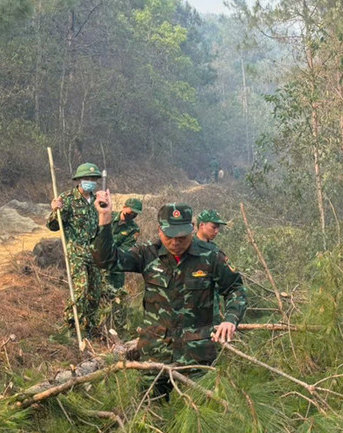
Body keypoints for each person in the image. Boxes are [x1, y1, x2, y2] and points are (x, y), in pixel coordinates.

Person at [92, 196, 247, 399]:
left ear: (192, 229)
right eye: (169, 236)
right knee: (150, 412)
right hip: (154, 352)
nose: (175, 242)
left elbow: (236, 288)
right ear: (159, 230)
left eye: (181, 237)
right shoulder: (147, 253)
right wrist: (104, 219)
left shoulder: (210, 256)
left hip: (196, 355)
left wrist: (230, 319)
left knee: (199, 412)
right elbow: (105, 260)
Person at [47, 162, 114, 336]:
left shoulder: (98, 200)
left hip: (94, 253)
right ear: (79, 180)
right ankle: (71, 327)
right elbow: (53, 225)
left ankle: (89, 327)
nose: (90, 181)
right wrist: (56, 211)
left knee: (95, 292)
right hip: (76, 252)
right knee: (80, 290)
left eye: (93, 179)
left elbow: (105, 224)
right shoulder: (67, 198)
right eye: (87, 178)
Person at [109, 197, 143, 290]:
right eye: (131, 211)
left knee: (115, 295)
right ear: (124, 207)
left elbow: (125, 249)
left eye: (135, 213)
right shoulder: (108, 217)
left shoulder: (134, 229)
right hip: (97, 262)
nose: (132, 215)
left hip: (115, 265)